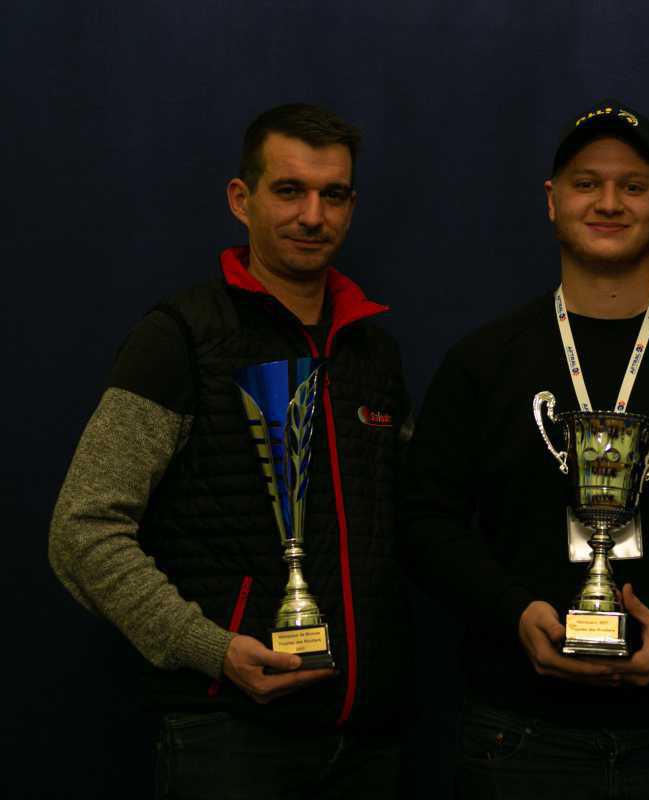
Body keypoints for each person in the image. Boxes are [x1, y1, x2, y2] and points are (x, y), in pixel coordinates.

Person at [400, 98, 649, 798]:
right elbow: (424, 519)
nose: (610, 202)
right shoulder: (481, 362)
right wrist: (514, 612)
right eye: (587, 183)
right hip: (517, 733)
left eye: (634, 185)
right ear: (552, 200)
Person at [48, 103, 413, 799]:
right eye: (289, 190)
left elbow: (410, 525)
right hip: (230, 738)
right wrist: (211, 649)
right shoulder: (180, 338)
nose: (313, 216)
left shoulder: (373, 354)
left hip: (368, 741)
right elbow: (82, 530)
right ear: (241, 199)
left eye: (333, 195)